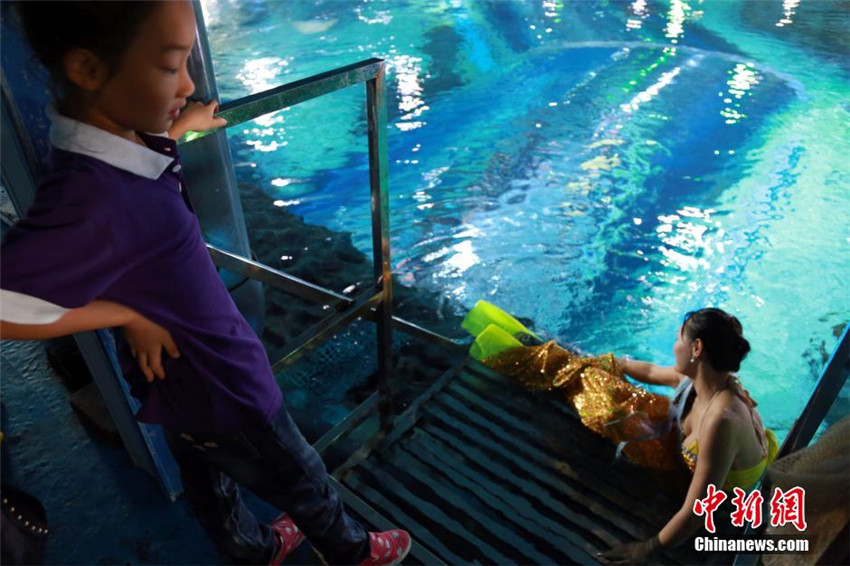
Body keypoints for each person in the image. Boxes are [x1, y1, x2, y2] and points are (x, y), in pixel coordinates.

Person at [0, 2, 410, 565]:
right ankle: (354, 551)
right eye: (171, 67)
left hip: (176, 384)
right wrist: (125, 314)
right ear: (89, 69)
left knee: (206, 481)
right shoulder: (90, 197)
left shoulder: (106, 142)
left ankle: (251, 550)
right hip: (226, 381)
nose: (190, 83)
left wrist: (177, 128)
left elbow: (135, 168)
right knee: (301, 476)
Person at [464, 303, 777, 564]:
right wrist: (611, 363)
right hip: (692, 457)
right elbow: (653, 372)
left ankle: (538, 363)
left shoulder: (721, 421)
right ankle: (554, 363)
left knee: (612, 411)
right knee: (602, 387)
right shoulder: (704, 380)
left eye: (678, 338)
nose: (674, 345)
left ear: (697, 348)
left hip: (725, 510)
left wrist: (647, 548)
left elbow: (697, 511)